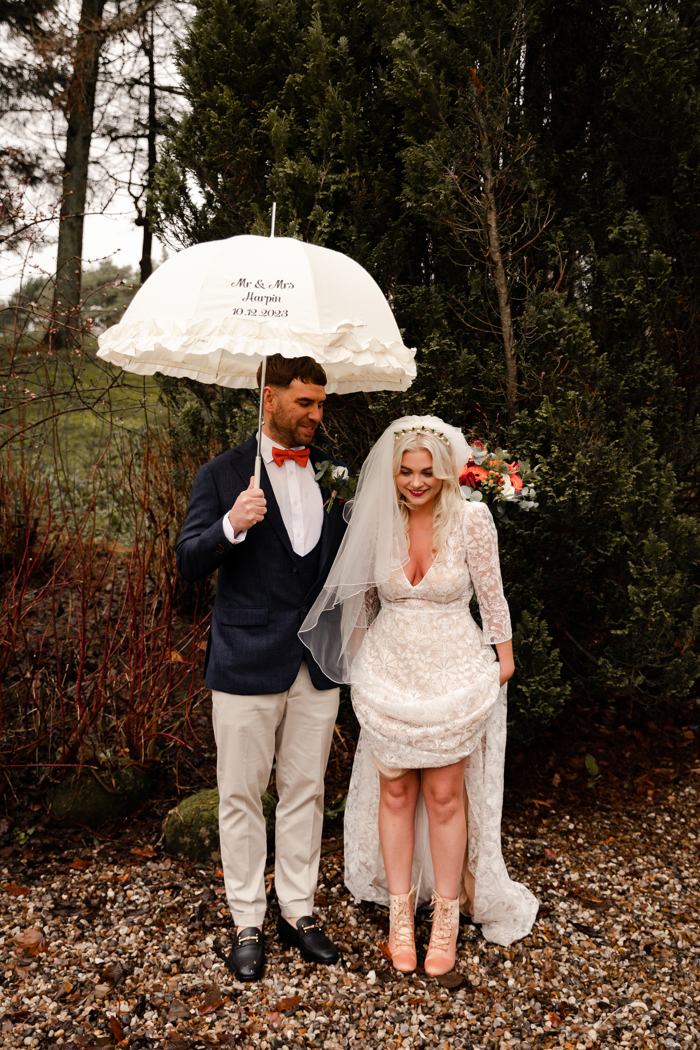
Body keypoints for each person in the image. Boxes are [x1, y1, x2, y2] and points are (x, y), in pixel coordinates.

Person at [300, 415, 538, 976]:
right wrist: (359, 667)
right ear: (394, 472)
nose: (415, 482)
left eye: (426, 471)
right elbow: (362, 603)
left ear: (448, 472)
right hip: (389, 672)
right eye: (405, 471)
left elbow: (493, 596)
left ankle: (448, 919)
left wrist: (503, 662)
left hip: (452, 672)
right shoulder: (378, 519)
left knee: (446, 796)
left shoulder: (473, 520)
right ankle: (401, 918)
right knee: (396, 793)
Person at [177, 355, 347, 982]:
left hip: (315, 665)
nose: (316, 415)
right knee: (241, 794)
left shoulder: (331, 476)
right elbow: (189, 561)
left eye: (321, 404)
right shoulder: (221, 476)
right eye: (305, 403)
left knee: (306, 790)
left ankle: (297, 909)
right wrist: (231, 524)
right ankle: (246, 917)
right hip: (245, 661)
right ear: (269, 398)